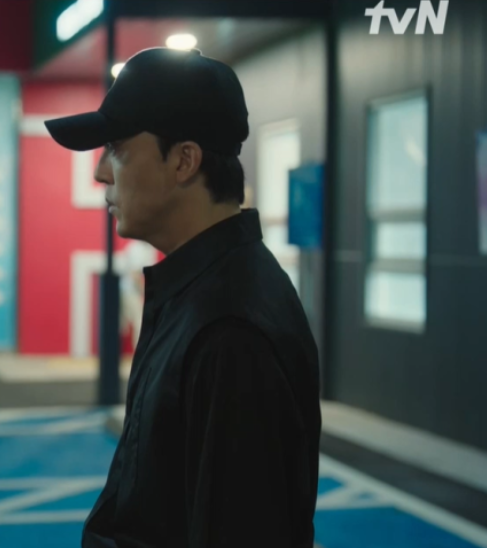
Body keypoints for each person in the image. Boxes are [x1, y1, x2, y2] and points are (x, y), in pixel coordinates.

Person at [46, 48, 321, 547]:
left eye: (116, 148)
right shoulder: (199, 294)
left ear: (184, 161)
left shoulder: (231, 332)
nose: (101, 173)